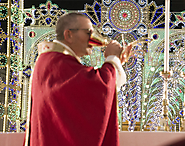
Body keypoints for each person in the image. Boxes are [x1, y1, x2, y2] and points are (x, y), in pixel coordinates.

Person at [24, 12, 132, 146]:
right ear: (68, 35)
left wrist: (116, 62)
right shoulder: (57, 62)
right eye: (88, 33)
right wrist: (112, 59)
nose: (93, 39)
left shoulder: (49, 60)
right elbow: (99, 88)